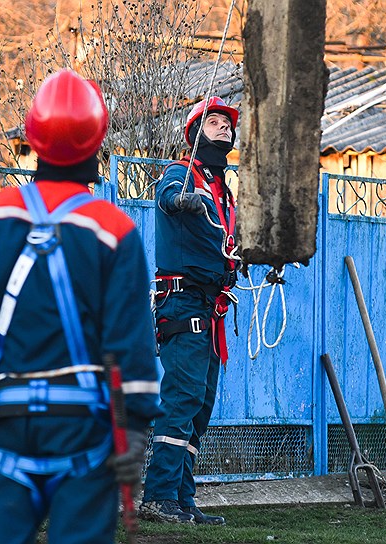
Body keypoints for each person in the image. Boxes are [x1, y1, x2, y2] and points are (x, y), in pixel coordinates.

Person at [0, 69, 161, 544]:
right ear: (98, 141)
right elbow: (129, 341)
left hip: (1, 428)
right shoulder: (114, 231)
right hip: (85, 435)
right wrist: (135, 426)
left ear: (31, 139)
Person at [140, 97, 239, 526]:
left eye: (226, 124)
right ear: (196, 133)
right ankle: (158, 496)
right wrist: (182, 201)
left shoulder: (224, 192)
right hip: (182, 304)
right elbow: (164, 195)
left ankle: (182, 498)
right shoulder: (182, 175)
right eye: (213, 123)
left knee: (200, 406)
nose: (223, 129)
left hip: (210, 308)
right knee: (181, 400)